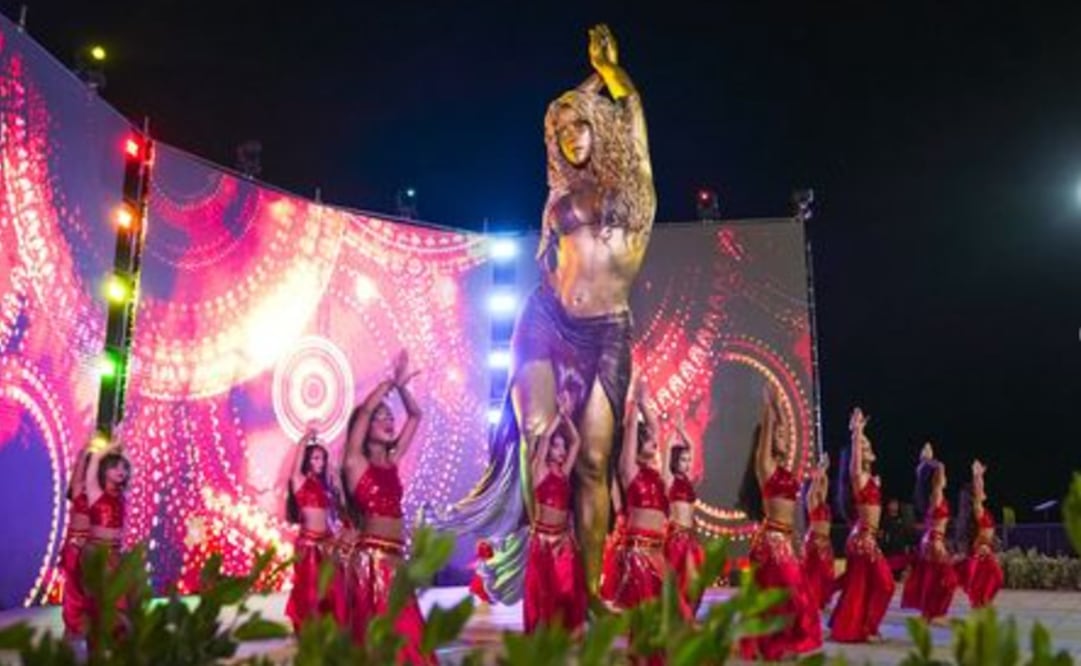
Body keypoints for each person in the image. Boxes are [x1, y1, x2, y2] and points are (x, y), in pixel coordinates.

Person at [442, 23, 656, 599]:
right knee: (541, 444)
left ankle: (588, 592)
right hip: (544, 320)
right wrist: (570, 103)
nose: (567, 137)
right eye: (559, 131)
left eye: (577, 125)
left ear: (599, 128)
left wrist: (608, 73)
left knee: (590, 462)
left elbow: (630, 112)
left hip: (605, 334)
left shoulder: (634, 185)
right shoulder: (559, 189)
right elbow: (553, 119)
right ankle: (548, 578)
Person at [342, 350, 433, 664]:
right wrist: (389, 384)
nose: (388, 420)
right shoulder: (355, 463)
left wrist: (403, 388)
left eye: (389, 416)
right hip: (372, 563)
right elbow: (365, 410)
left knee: (410, 637)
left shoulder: (392, 462)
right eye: (381, 417)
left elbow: (416, 416)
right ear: (365, 428)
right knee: (386, 639)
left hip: (396, 560)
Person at [737, 388, 822, 660]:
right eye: (779, 434)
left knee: (791, 597)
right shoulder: (766, 467)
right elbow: (768, 434)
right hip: (771, 540)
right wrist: (769, 408)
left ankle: (778, 644)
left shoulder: (786, 472)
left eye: (786, 435)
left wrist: (781, 412)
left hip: (785, 539)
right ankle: (775, 645)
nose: (784, 438)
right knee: (790, 597)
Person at [829, 408, 895, 643]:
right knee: (884, 585)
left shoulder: (872, 479)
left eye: (866, 445)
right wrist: (857, 433)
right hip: (862, 539)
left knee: (862, 587)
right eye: (862, 446)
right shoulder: (860, 478)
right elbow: (854, 467)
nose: (866, 448)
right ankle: (862, 627)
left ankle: (859, 626)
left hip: (868, 537)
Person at [524, 391, 586, 633]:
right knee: (543, 596)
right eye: (557, 447)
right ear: (548, 449)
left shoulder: (564, 472)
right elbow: (546, 437)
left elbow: (577, 442)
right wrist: (558, 417)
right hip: (542, 542)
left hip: (563, 541)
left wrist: (567, 418)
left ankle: (566, 640)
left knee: (567, 592)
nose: (561, 451)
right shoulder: (539, 470)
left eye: (562, 447)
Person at [611, 378, 668, 610]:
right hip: (638, 554)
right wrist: (634, 402)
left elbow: (656, 429)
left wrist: (645, 402)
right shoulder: (629, 471)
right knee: (646, 617)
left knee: (667, 619)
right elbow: (632, 429)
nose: (655, 442)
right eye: (649, 441)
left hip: (657, 553)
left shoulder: (654, 474)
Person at [284, 428, 344, 631]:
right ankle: (309, 632)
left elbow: (335, 470)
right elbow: (298, 457)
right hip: (309, 546)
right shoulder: (299, 481)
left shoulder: (325, 485)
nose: (321, 463)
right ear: (307, 459)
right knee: (310, 592)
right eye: (316, 458)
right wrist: (306, 437)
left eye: (322, 459)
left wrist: (325, 447)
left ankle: (329, 632)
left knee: (332, 590)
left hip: (326, 544)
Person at [901, 445, 957, 624]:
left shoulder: (930, 496)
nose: (945, 477)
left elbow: (924, 475)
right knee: (948, 579)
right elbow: (939, 469)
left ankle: (929, 614)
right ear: (936, 478)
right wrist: (930, 461)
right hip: (934, 540)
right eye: (942, 476)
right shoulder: (936, 494)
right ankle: (934, 613)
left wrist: (925, 462)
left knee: (933, 579)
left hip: (930, 539)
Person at [83, 443, 132, 639]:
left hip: (115, 554)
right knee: (103, 601)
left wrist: (122, 450)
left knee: (120, 599)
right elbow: (95, 460)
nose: (122, 471)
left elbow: (129, 463)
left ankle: (116, 639)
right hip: (98, 554)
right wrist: (110, 447)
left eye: (124, 468)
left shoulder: (122, 496)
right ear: (104, 471)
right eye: (115, 467)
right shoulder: (96, 493)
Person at [662, 415, 705, 619]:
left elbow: (692, 447)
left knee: (695, 580)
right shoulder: (670, 480)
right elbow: (667, 452)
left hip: (690, 537)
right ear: (674, 461)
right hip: (676, 538)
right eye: (682, 459)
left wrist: (682, 430)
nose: (687, 463)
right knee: (678, 581)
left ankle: (689, 616)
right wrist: (673, 433)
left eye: (688, 460)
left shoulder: (688, 480)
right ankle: (676, 618)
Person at [956, 460, 1002, 608]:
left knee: (994, 579)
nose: (983, 491)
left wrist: (980, 476)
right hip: (981, 551)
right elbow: (978, 492)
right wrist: (977, 476)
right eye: (980, 491)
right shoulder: (978, 510)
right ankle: (980, 608)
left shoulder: (983, 511)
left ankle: (983, 605)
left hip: (985, 550)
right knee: (984, 584)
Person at [61, 445, 92, 638]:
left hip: (92, 546)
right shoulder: (79, 490)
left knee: (90, 588)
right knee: (73, 589)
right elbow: (72, 490)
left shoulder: (103, 493)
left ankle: (87, 626)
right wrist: (83, 456)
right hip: (74, 545)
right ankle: (73, 627)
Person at [802, 453, 835, 611]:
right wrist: (820, 470)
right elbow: (815, 487)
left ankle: (821, 600)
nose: (822, 486)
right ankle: (811, 601)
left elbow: (825, 484)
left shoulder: (824, 502)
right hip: (815, 541)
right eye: (819, 485)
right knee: (814, 574)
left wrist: (825, 471)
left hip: (825, 541)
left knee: (826, 574)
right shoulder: (811, 500)